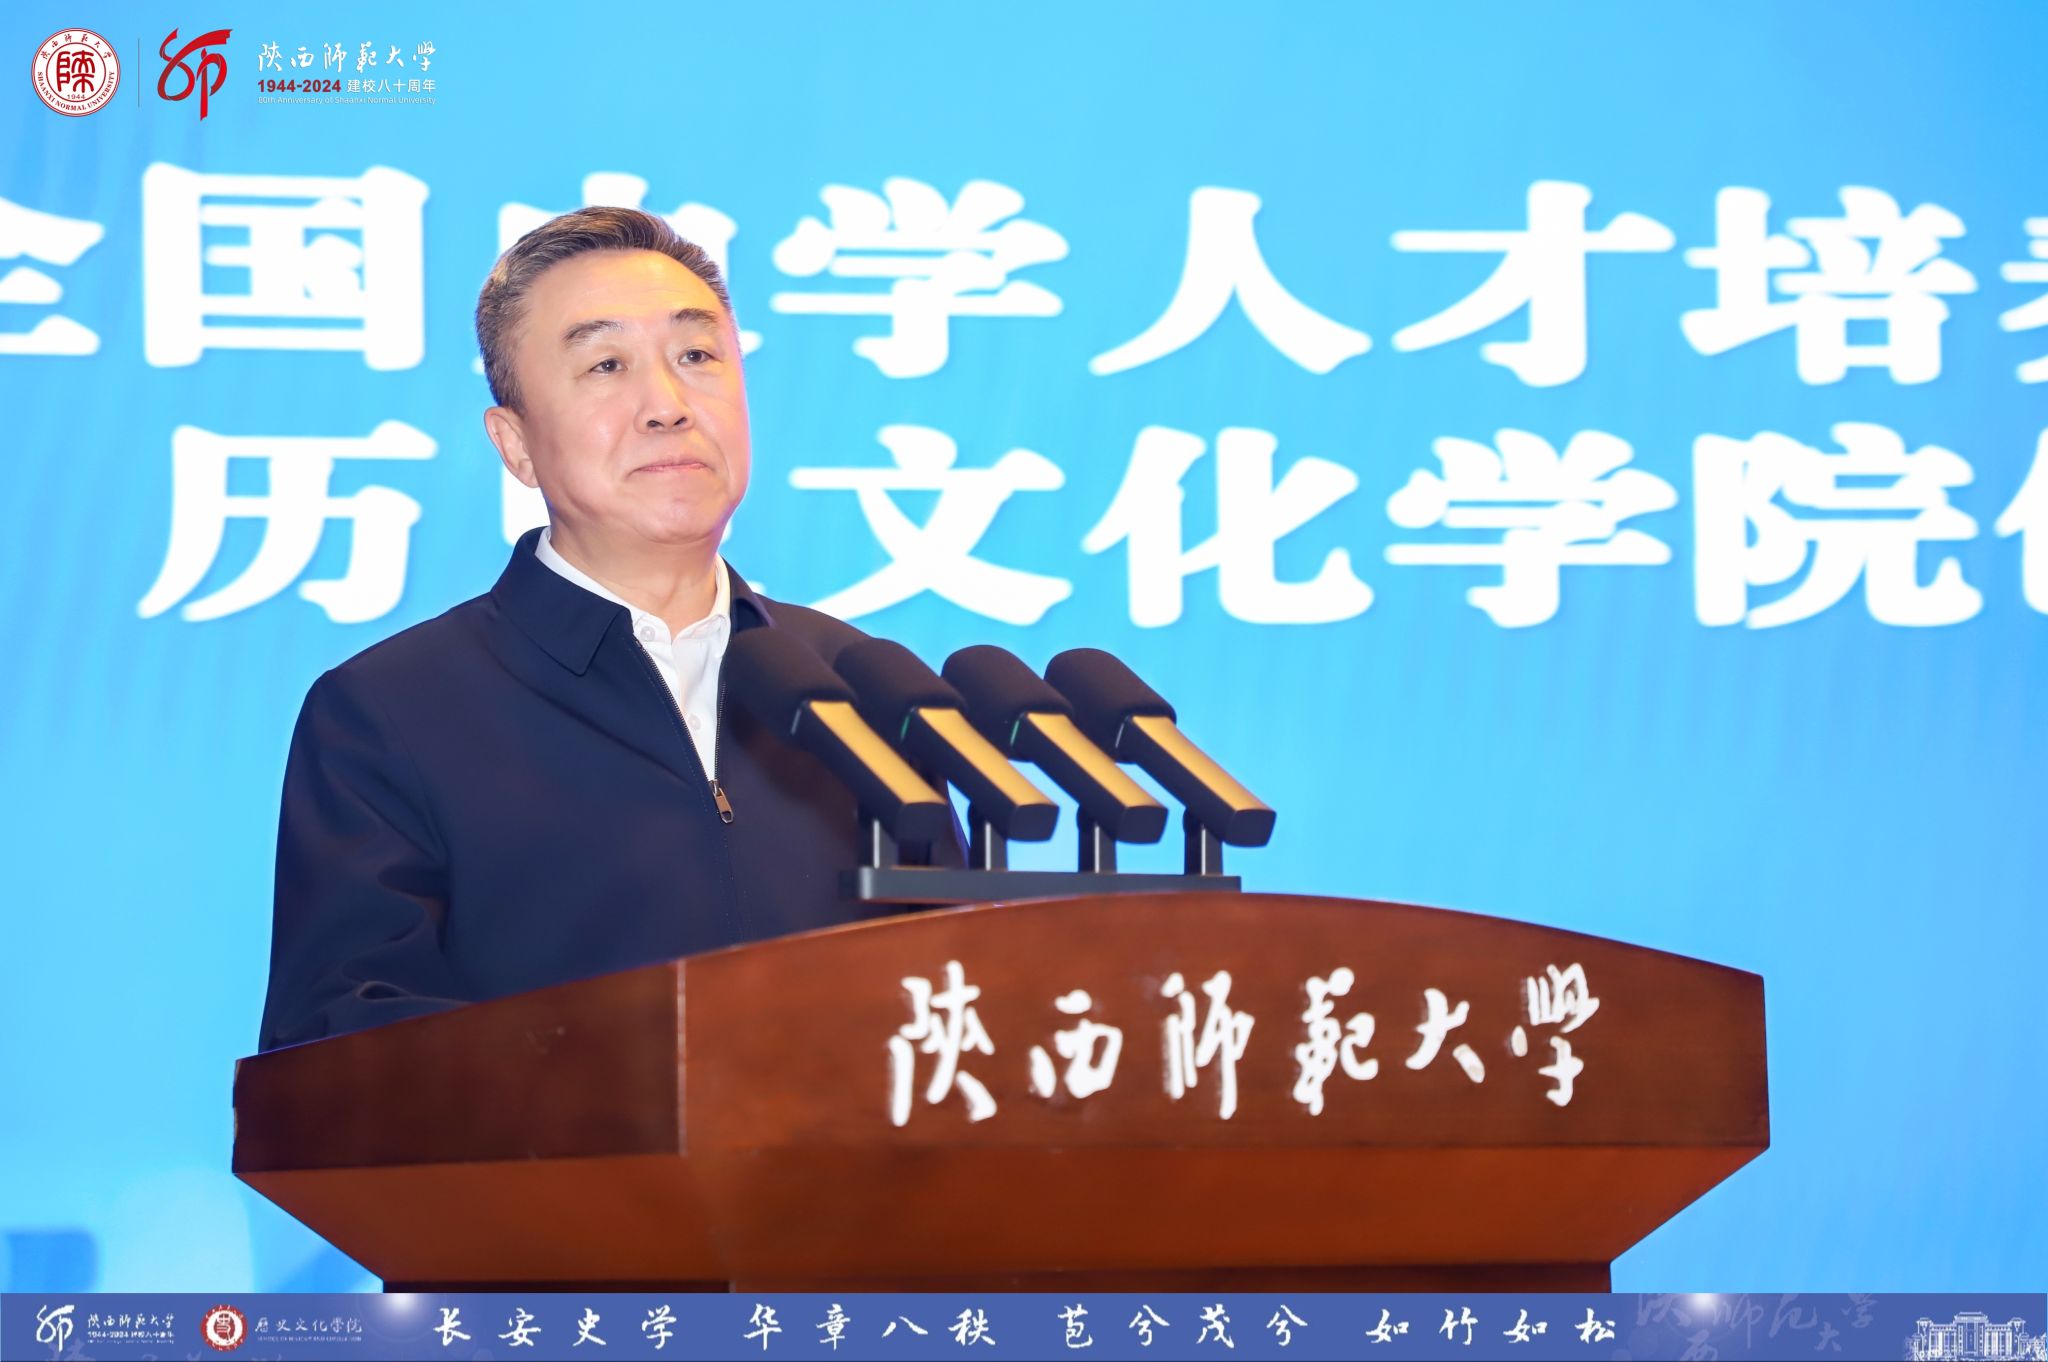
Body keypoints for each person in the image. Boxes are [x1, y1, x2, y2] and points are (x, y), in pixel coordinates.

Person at [257, 207, 962, 1052]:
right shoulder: (390, 712)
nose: (667, 405)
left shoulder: (862, 688)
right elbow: (341, 1047)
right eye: (605, 365)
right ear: (515, 445)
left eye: (696, 356)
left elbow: (962, 1002)